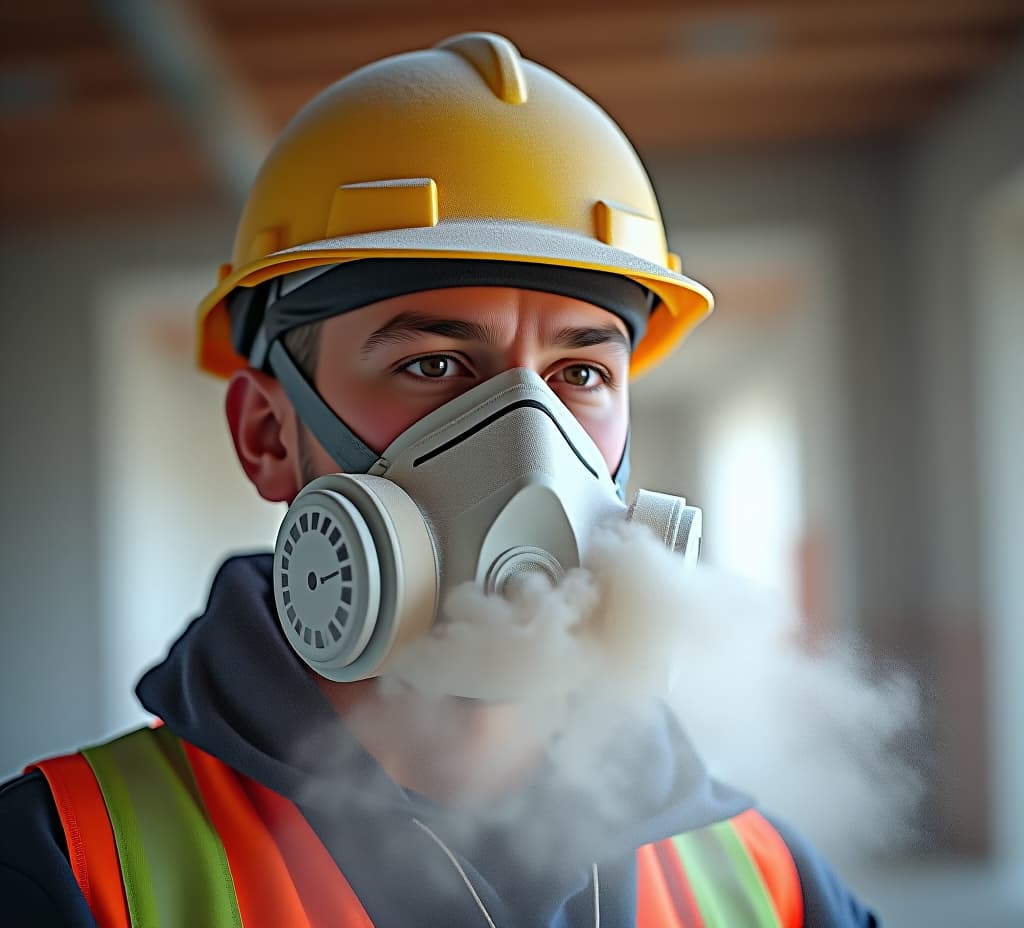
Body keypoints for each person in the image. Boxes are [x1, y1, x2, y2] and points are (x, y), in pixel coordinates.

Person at [0, 32, 879, 926]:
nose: (534, 448)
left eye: (581, 375)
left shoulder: (761, 876)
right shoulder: (67, 865)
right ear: (267, 434)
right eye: (433, 365)